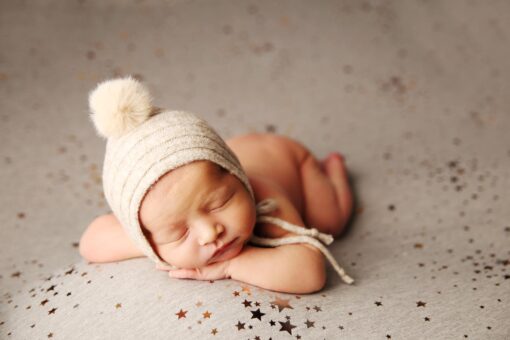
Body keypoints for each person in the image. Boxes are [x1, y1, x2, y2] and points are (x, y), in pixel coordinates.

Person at [79, 76, 355, 294]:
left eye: (219, 203)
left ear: (237, 178)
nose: (211, 233)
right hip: (235, 150)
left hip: (289, 158)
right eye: (178, 232)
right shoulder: (155, 219)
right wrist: (155, 246)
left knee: (328, 221)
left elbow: (309, 273)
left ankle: (334, 171)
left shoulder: (264, 197)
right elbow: (90, 242)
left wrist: (233, 265)